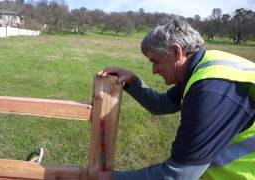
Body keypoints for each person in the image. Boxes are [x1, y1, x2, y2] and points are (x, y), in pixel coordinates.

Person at [98, 16, 255, 180]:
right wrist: (132, 81)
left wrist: (111, 178)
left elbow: (178, 175)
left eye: (156, 61)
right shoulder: (203, 67)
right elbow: (162, 104)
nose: (154, 70)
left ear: (176, 51)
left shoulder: (211, 91)